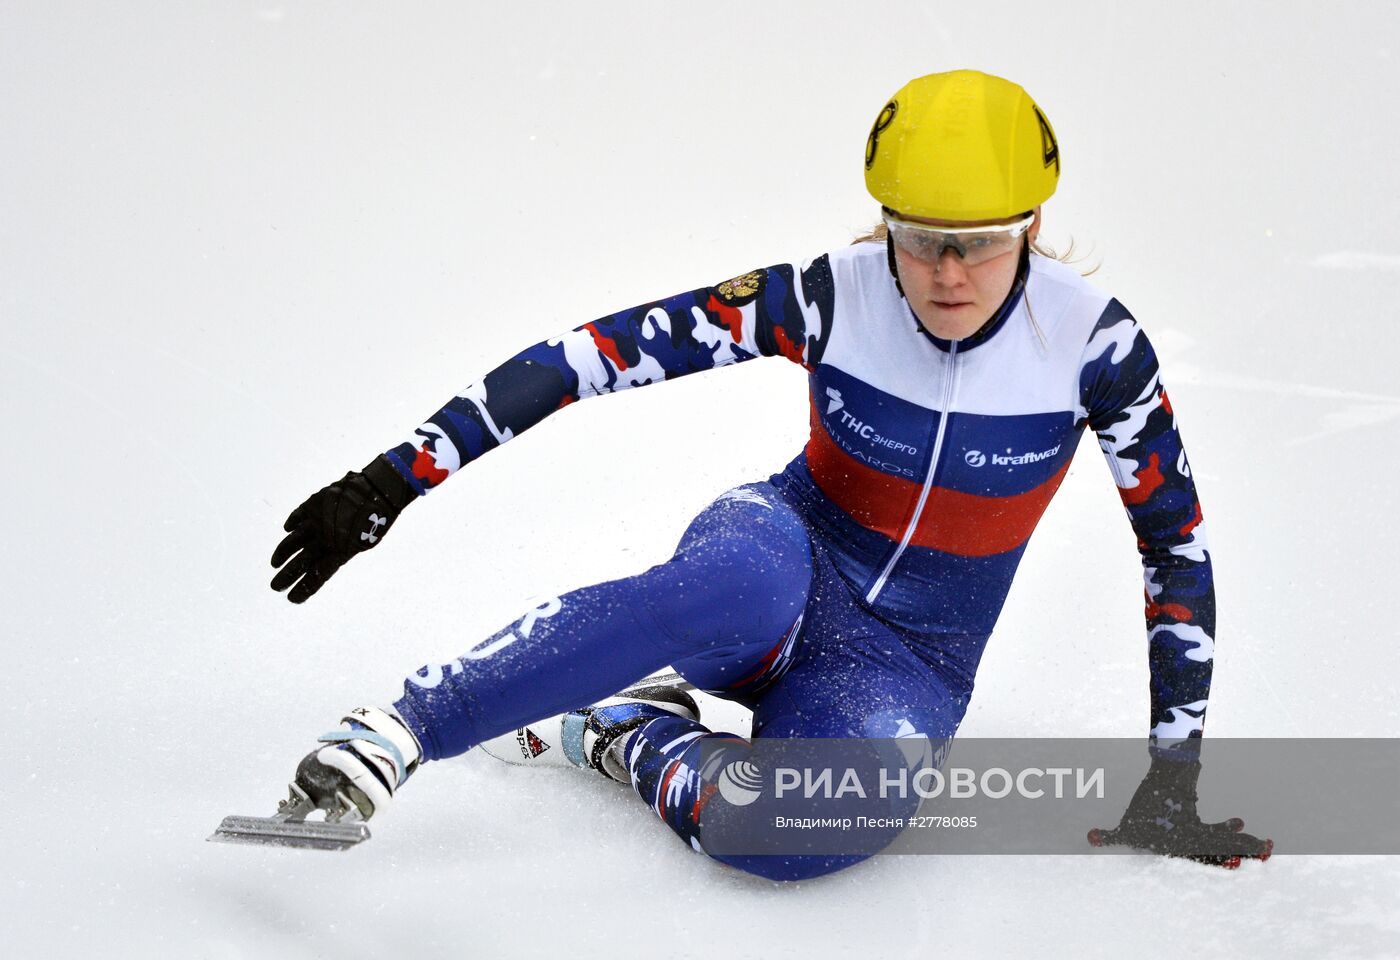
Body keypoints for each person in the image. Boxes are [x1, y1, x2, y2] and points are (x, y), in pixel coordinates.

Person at [269, 70, 1271, 878]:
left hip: (899, 668)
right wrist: (392, 479)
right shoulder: (830, 298)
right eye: (919, 241)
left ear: (1032, 222)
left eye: (982, 244)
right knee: (736, 581)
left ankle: (623, 733)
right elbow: (592, 355)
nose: (948, 274)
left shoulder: (1090, 351)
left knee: (800, 832)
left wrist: (1169, 780)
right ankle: (399, 729)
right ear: (883, 222)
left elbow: (1172, 552)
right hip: (774, 564)